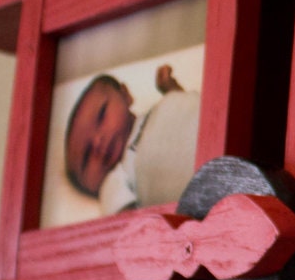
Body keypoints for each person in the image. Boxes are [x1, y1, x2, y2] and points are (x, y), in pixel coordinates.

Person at [64, 64, 200, 215]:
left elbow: (184, 112)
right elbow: (126, 225)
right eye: (86, 155)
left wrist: (172, 91)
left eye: (102, 115)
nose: (97, 142)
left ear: (125, 94)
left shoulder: (156, 110)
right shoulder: (114, 181)